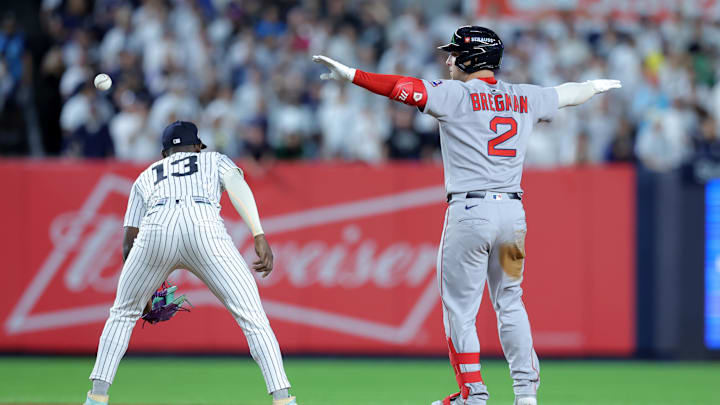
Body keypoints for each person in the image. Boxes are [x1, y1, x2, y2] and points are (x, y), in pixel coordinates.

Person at [313, 26, 620, 405]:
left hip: (470, 213)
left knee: (460, 308)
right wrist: (596, 84)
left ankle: (472, 394)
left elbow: (399, 87)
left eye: (454, 53)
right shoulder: (523, 96)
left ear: (472, 58)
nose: (448, 60)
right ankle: (526, 395)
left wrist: (352, 74)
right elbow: (568, 94)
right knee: (510, 300)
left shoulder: (455, 94)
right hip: (512, 217)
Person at [83, 121, 297, 405]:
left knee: (122, 315)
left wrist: (142, 289)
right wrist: (258, 233)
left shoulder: (146, 175)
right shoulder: (213, 159)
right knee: (254, 320)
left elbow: (128, 242)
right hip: (205, 227)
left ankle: (96, 398)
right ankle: (284, 400)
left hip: (156, 227)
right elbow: (237, 185)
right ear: (198, 147)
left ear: (164, 154)